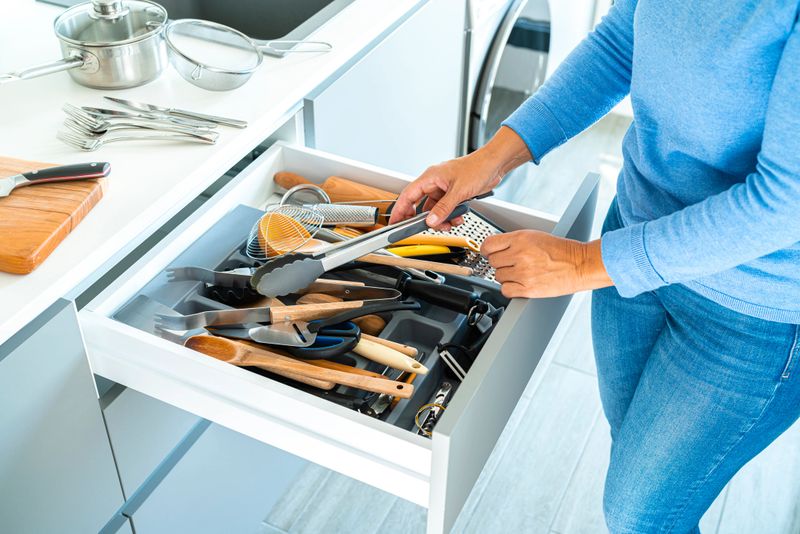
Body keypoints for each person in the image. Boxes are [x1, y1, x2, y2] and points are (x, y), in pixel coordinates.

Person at [389, 1, 800, 532]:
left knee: (640, 515)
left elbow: (785, 203)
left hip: (751, 312)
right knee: (634, 458)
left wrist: (583, 262)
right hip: (632, 243)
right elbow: (618, 46)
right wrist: (492, 157)